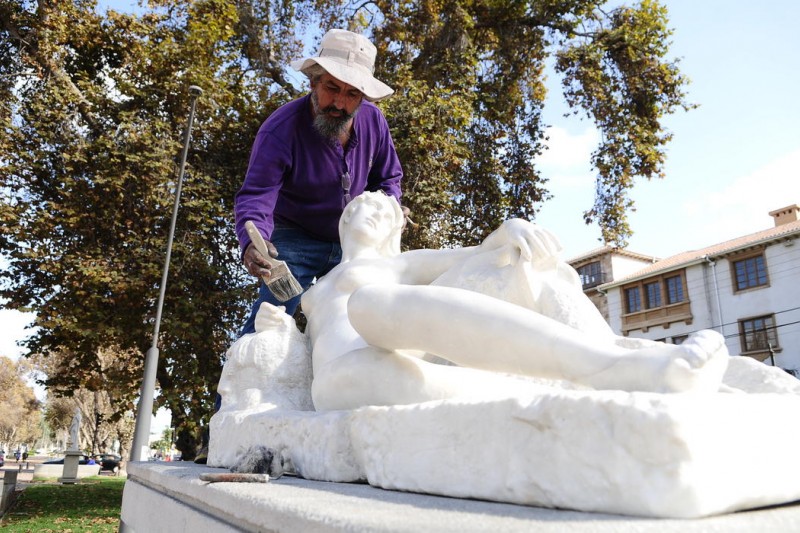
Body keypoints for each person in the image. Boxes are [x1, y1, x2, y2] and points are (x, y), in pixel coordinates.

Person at [296, 192, 729, 411]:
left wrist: (511, 226)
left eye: (388, 214)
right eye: (370, 206)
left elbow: (475, 255)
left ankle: (609, 370)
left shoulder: (397, 265)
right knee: (358, 362)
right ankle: (588, 382)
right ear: (347, 214)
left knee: (369, 305)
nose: (379, 213)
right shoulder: (312, 290)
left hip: (385, 356)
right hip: (340, 384)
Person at [235, 28, 404, 335]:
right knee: (269, 318)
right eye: (331, 87)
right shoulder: (280, 130)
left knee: (362, 323)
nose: (339, 103)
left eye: (352, 94)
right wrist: (252, 242)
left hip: (351, 241)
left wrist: (390, 209)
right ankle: (244, 380)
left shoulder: (374, 122)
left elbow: (388, 177)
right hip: (294, 235)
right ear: (313, 80)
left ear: (363, 97)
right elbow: (257, 195)